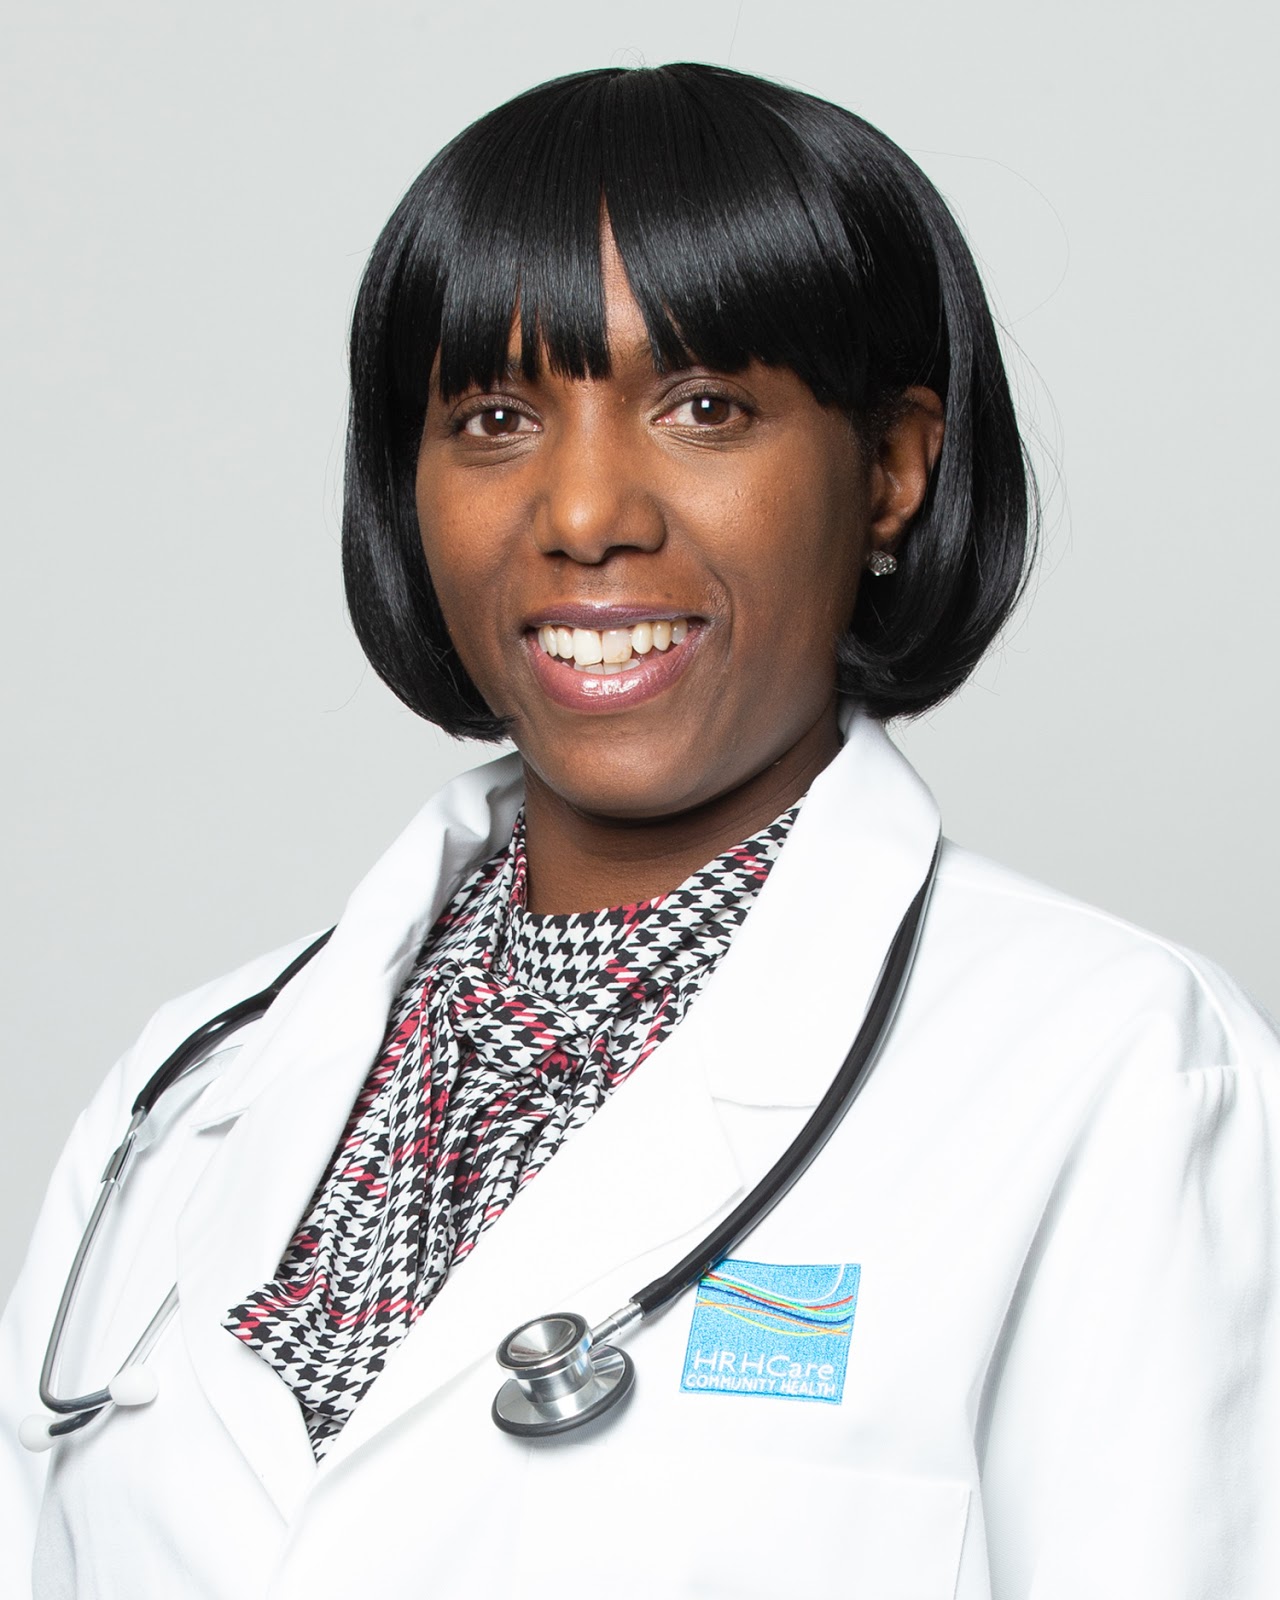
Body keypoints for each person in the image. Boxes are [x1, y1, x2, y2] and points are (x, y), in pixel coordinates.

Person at [2, 61, 1277, 1600]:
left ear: (892, 470)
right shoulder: (184, 1092)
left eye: (703, 407)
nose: (584, 512)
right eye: (493, 416)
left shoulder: (1119, 1074)